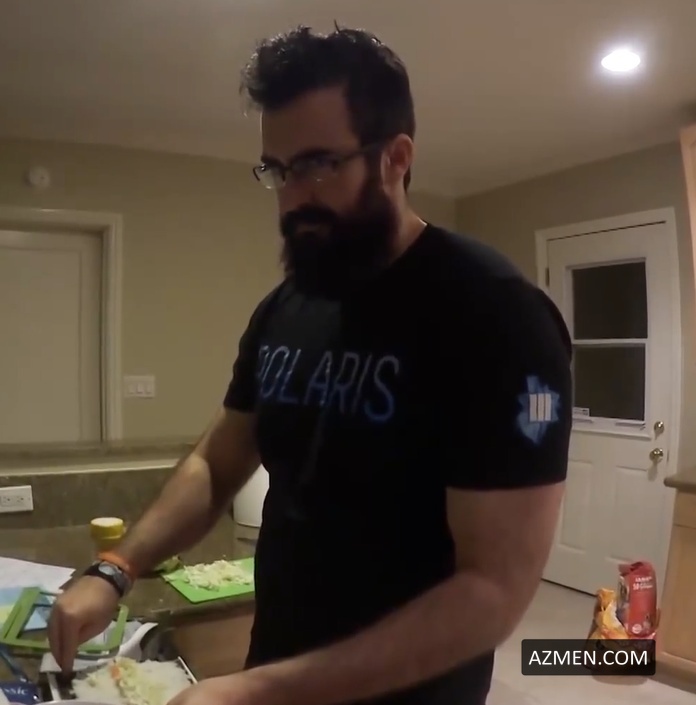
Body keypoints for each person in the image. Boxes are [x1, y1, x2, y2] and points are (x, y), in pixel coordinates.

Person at [48, 25, 572, 705]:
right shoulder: (289, 305)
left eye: (319, 164)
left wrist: (258, 691)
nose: (293, 196)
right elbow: (217, 461)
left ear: (395, 158)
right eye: (279, 169)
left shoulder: (496, 315)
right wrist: (116, 569)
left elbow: (492, 591)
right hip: (278, 667)